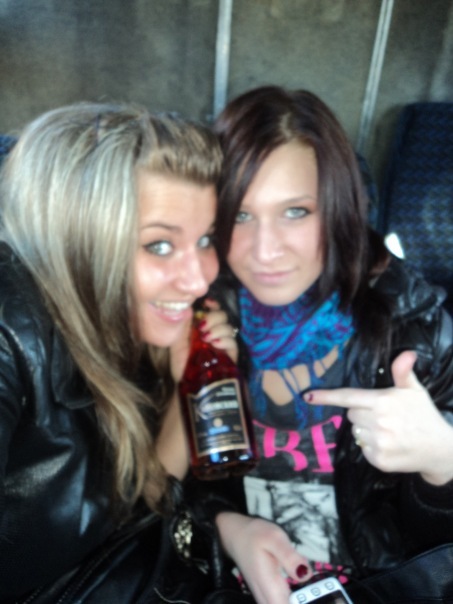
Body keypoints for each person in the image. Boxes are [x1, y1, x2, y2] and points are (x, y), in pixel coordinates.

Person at [202, 86, 453, 604]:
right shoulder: (194, 314)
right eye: (241, 215)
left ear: (338, 208)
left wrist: (441, 462)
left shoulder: (415, 326)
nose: (264, 251)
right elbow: (151, 490)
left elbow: (436, 548)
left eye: (295, 211)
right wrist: (224, 527)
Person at [0, 101, 235, 603]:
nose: (199, 280)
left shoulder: (126, 325)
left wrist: (187, 382)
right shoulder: (9, 329)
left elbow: (140, 505)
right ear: (78, 240)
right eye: (159, 245)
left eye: (206, 239)